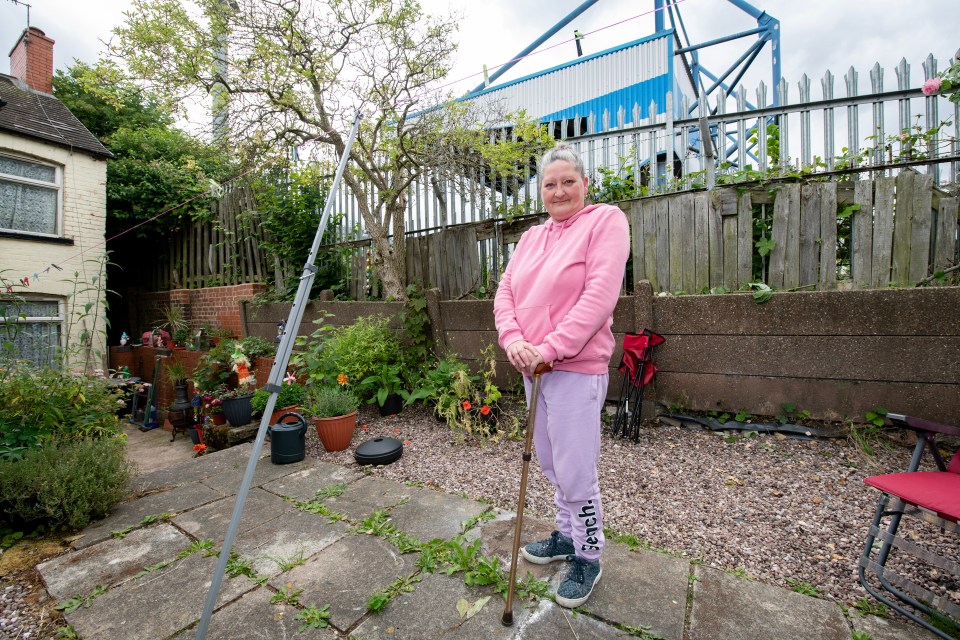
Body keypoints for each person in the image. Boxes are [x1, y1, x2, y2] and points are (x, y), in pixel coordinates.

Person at [493, 141, 629, 608]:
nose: (559, 191)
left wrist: (549, 349)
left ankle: (588, 555)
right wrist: (514, 342)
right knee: (551, 462)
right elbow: (505, 293)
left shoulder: (605, 221)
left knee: (575, 468)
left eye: (568, 181)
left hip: (574, 369)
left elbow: (599, 297)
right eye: (550, 184)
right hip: (535, 370)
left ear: (585, 184)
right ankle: (567, 537)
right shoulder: (530, 239)